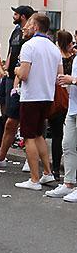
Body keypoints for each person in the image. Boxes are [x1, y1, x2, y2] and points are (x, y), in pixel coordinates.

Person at [14, 13, 61, 191]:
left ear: (35, 26)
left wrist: (17, 69)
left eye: (29, 24)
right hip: (47, 95)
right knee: (39, 134)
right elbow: (59, 76)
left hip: (31, 95)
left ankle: (34, 179)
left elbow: (24, 74)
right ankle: (47, 173)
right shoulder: (53, 47)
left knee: (28, 136)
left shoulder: (29, 46)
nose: (26, 27)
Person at [0, 6, 36, 167]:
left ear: (24, 17)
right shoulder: (16, 32)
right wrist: (6, 68)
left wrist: (17, 73)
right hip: (11, 78)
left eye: (16, 14)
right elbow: (12, 51)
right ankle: (1, 157)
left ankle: (29, 158)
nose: (14, 16)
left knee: (26, 121)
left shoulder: (31, 37)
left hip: (25, 81)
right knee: (9, 118)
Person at [47, 54, 77, 201]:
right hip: (73, 108)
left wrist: (72, 80)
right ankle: (69, 183)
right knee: (68, 145)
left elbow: (73, 79)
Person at [47, 29, 74, 180]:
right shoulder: (73, 58)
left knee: (57, 135)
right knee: (69, 136)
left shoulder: (55, 56)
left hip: (57, 97)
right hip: (70, 98)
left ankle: (56, 169)